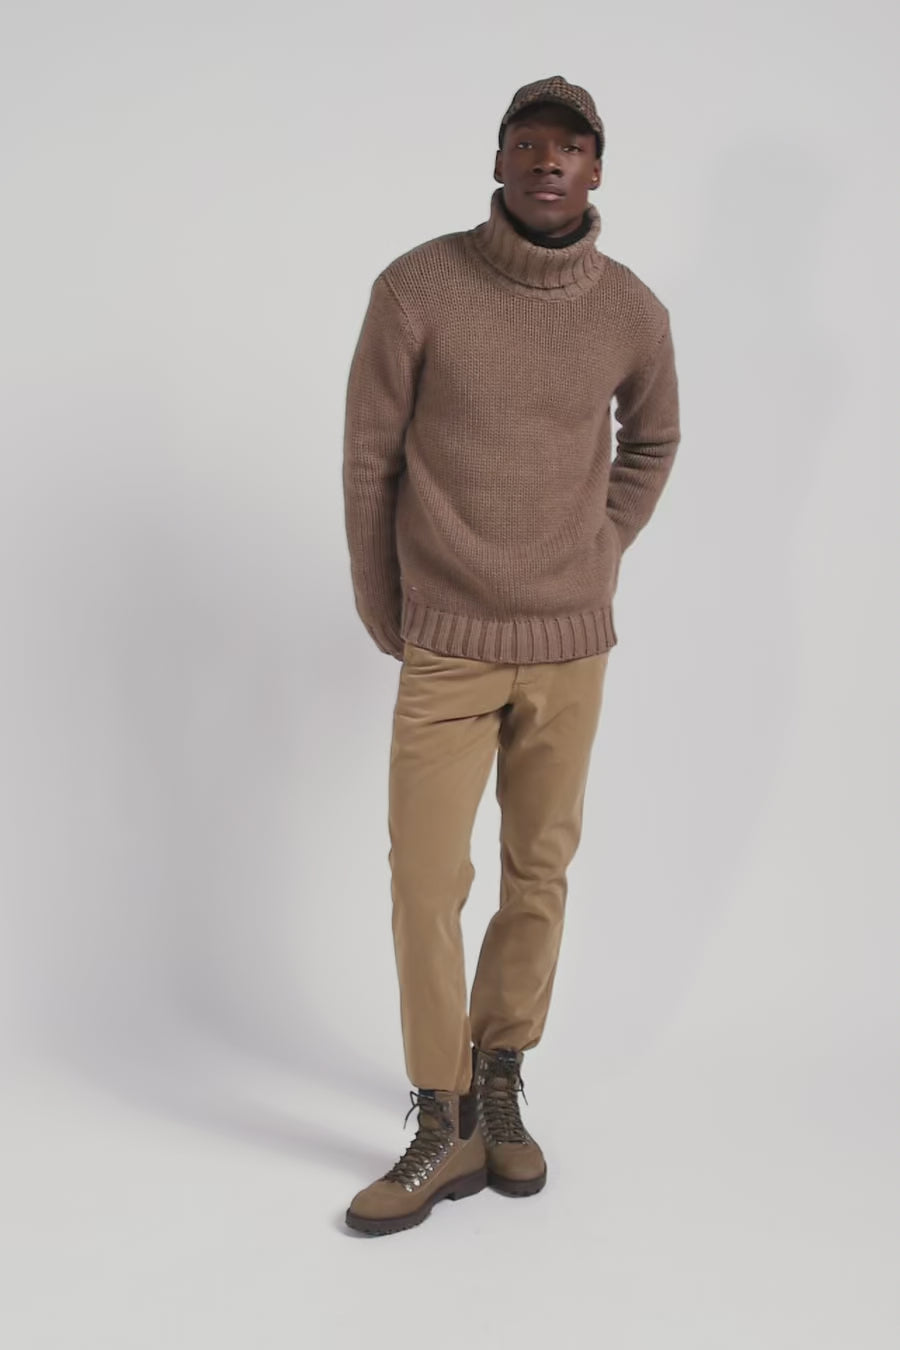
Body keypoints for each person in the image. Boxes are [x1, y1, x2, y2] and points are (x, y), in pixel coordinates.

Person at [341, 75, 681, 1236]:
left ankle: (500, 1082)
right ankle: (442, 1119)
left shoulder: (631, 310)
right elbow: (369, 459)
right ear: (497, 162)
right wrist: (384, 599)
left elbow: (656, 439)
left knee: (539, 871)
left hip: (570, 642)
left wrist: (602, 542)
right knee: (424, 882)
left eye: (570, 148)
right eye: (528, 143)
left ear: (596, 173)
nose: (548, 162)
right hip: (446, 641)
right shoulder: (417, 288)